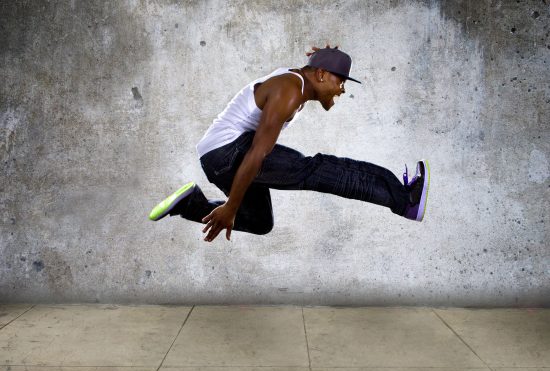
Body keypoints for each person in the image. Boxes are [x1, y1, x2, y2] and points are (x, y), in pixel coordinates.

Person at [148, 46, 430, 242]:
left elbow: (258, 152)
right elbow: (258, 152)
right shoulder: (290, 90)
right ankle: (405, 201)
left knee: (260, 222)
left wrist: (231, 208)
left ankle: (189, 205)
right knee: (317, 169)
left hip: (220, 157)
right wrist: (231, 207)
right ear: (320, 74)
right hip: (229, 152)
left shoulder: (299, 83)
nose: (342, 89)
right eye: (340, 80)